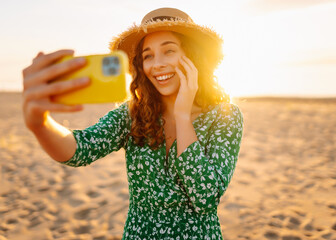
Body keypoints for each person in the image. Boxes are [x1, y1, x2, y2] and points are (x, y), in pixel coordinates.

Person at [22, 7, 243, 240]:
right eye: (148, 55)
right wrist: (40, 124)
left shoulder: (225, 117)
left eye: (169, 51)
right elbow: (79, 149)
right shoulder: (133, 114)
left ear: (193, 56)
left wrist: (183, 116)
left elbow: (206, 198)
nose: (157, 64)